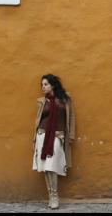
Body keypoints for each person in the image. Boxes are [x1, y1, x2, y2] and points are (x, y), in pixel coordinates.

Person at [32, 74, 76, 209]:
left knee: (52, 166)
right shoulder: (42, 101)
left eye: (45, 84)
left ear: (53, 85)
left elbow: (72, 116)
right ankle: (51, 195)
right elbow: (38, 120)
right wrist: (34, 138)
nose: (43, 87)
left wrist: (71, 135)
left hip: (57, 136)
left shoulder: (65, 99)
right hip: (42, 135)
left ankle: (55, 195)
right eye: (42, 85)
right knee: (46, 167)